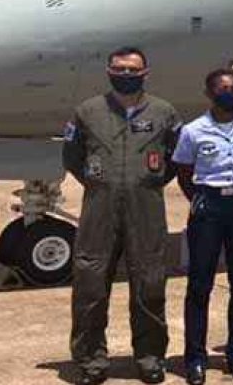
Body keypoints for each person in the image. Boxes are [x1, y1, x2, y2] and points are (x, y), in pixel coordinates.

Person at [63, 47, 181, 385]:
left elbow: (177, 156)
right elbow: (73, 157)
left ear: (145, 72)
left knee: (150, 283)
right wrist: (102, 185)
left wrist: (147, 183)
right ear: (108, 71)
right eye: (119, 69)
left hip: (146, 210)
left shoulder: (164, 112)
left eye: (132, 70)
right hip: (99, 210)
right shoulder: (87, 111)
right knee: (90, 283)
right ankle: (91, 362)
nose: (125, 75)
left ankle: (149, 358)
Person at [174, 69, 233, 385]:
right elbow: (184, 171)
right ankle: (195, 359)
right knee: (200, 286)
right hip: (208, 206)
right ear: (209, 93)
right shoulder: (192, 130)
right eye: (221, 88)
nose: (228, 92)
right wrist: (201, 199)